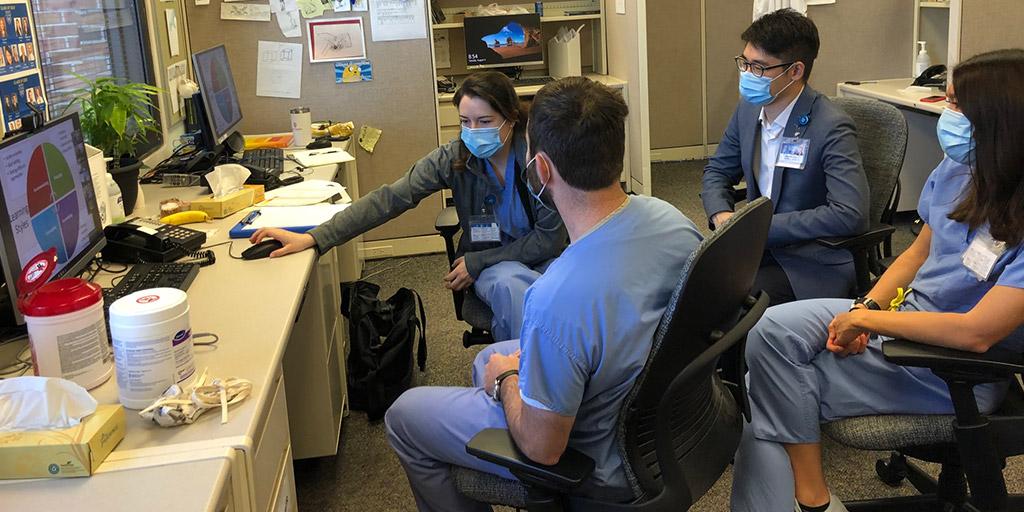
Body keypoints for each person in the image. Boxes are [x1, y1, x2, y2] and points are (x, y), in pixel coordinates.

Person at [384, 77, 703, 511]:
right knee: (486, 357)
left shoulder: (555, 298)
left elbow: (543, 448)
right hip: (674, 426)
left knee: (406, 414)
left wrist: (508, 379)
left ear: (542, 169)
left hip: (597, 460)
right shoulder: (672, 220)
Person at [731, 49, 1024, 512]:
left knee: (766, 386)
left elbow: (976, 333)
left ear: (999, 122)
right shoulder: (958, 172)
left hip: (950, 366)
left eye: (957, 106)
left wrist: (874, 324)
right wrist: (867, 310)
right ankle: (811, 497)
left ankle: (811, 502)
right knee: (772, 332)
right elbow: (916, 253)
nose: (947, 116)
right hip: (906, 321)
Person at [250, 71, 566, 341]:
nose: (473, 131)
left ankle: (548, 382)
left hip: (536, 257)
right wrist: (315, 238)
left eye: (485, 121)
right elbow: (388, 199)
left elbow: (549, 239)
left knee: (563, 296)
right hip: (494, 268)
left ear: (510, 118)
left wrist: (480, 260)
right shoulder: (454, 158)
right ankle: (527, 384)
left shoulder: (537, 159)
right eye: (465, 122)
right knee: (513, 289)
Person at [701, 8, 868, 306]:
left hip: (807, 261)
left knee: (725, 304)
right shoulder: (748, 110)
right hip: (752, 250)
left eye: (760, 68)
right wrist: (720, 216)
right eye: (745, 63)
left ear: (795, 71)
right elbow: (717, 171)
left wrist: (759, 228)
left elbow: (849, 214)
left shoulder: (830, 125)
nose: (748, 75)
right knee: (688, 284)